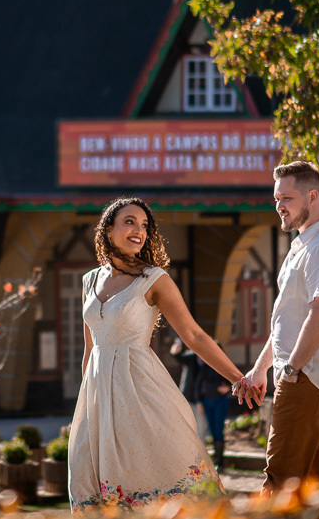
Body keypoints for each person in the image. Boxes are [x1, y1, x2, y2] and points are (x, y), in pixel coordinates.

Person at [68, 197, 259, 512]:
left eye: (144, 225)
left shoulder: (154, 279)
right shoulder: (90, 281)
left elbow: (195, 335)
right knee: (90, 483)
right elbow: (90, 349)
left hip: (140, 389)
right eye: (129, 221)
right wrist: (85, 404)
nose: (138, 230)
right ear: (108, 229)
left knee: (150, 475)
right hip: (96, 396)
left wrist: (238, 378)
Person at [231, 161, 319, 493]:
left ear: (312, 196)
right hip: (308, 376)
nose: (279, 207)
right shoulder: (306, 244)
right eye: (276, 200)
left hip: (308, 377)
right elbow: (287, 322)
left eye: (286, 198)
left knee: (280, 478)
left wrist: (291, 369)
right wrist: (261, 369)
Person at [195, 344, 232, 468]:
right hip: (206, 401)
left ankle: (219, 461)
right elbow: (198, 384)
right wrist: (199, 401)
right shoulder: (203, 365)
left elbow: (235, 380)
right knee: (211, 430)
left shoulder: (224, 365)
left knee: (218, 429)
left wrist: (228, 388)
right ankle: (216, 460)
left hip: (219, 400)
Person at [169, 339, 209, 444]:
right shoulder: (191, 357)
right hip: (188, 398)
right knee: (187, 429)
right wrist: (177, 345)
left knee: (201, 430)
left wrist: (200, 401)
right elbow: (177, 356)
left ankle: (201, 456)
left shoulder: (209, 361)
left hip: (203, 400)